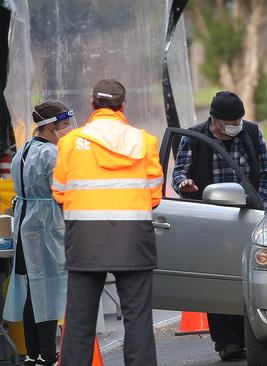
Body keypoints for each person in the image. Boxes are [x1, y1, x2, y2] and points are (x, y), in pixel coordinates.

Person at [52, 79, 163, 365]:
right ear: (123, 105)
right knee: (137, 320)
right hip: (133, 238)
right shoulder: (145, 141)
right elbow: (154, 196)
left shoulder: (69, 143)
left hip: (86, 239)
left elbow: (60, 193)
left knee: (79, 321)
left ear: (92, 104)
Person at [172, 91, 267, 360]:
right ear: (215, 121)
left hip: (247, 218)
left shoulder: (251, 133)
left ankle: (247, 336)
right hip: (211, 221)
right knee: (216, 278)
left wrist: (258, 206)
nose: (236, 125)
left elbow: (266, 175)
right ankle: (226, 342)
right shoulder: (194, 137)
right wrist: (185, 185)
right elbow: (179, 173)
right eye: (230, 121)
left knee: (246, 278)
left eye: (239, 119)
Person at [3, 101, 75, 366]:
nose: (67, 130)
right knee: (46, 290)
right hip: (46, 226)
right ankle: (48, 353)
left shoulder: (23, 150)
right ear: (50, 126)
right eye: (64, 125)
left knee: (33, 290)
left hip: (26, 226)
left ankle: (32, 353)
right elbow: (61, 191)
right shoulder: (51, 154)